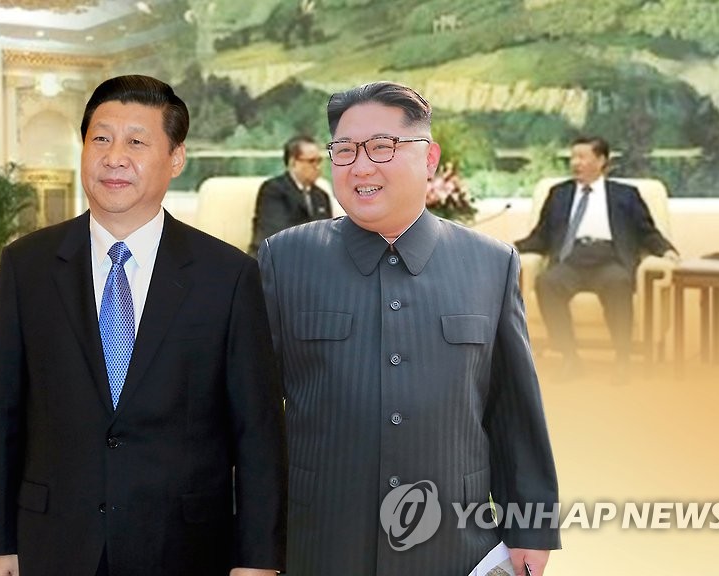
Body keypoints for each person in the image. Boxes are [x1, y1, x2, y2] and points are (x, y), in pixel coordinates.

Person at [0, 75, 287, 576]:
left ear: (176, 158)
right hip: (53, 542)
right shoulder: (27, 265)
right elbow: (0, 414)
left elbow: (258, 433)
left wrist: (257, 562)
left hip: (183, 547)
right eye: (101, 138)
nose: (114, 157)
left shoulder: (227, 275)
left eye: (137, 142)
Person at [258, 82, 559, 576]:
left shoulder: (491, 263)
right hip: (320, 541)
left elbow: (513, 412)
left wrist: (532, 530)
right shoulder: (285, 258)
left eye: (381, 147)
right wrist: (253, 546)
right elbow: (254, 417)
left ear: (429, 158)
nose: (361, 166)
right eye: (345, 150)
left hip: (453, 542)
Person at [515, 136, 678, 374]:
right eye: (573, 157)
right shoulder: (559, 194)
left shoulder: (625, 195)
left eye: (582, 157)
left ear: (601, 160)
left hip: (609, 259)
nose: (575, 163)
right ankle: (569, 358)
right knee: (547, 283)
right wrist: (508, 249)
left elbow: (646, 231)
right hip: (571, 260)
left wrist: (666, 250)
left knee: (618, 282)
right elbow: (541, 236)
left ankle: (622, 358)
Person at [248, 135, 332, 255]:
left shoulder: (321, 196)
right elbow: (278, 236)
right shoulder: (273, 190)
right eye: (311, 161)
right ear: (293, 163)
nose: (318, 167)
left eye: (319, 161)